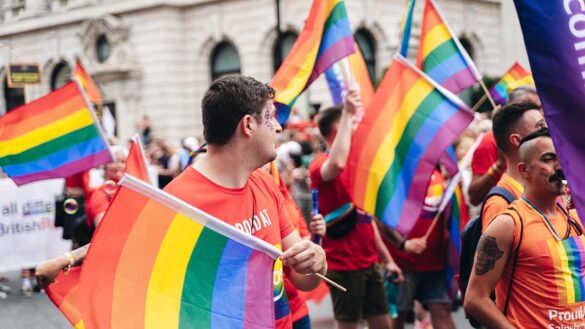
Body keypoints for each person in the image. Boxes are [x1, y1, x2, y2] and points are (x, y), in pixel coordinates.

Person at [37, 77, 327, 329]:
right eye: (270, 116)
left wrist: (317, 258)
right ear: (248, 125)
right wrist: (67, 260)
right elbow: (122, 247)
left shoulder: (264, 182)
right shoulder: (180, 200)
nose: (278, 127)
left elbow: (304, 281)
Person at [464, 128, 585, 328]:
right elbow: (475, 299)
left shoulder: (576, 218)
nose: (559, 166)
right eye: (548, 159)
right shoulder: (508, 224)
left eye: (561, 157)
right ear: (524, 170)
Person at [309, 88, 403, 329]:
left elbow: (366, 219)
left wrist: (388, 260)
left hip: (370, 264)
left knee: (383, 324)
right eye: (349, 123)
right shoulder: (320, 164)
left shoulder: (357, 165)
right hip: (343, 268)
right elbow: (337, 163)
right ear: (337, 129)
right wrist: (349, 111)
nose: (355, 126)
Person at [382, 168, 456, 329]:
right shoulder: (393, 174)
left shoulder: (437, 174)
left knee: (442, 310)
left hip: (434, 263)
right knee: (396, 315)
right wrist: (402, 244)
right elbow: (378, 216)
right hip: (401, 264)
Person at [467, 86, 540, 206]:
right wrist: (499, 166)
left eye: (539, 106)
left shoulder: (544, 140)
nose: (536, 111)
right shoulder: (491, 140)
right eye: (528, 105)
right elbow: (474, 197)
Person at [481, 102, 546, 230]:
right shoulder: (500, 204)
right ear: (516, 140)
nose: (548, 131)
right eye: (540, 126)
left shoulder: (550, 188)